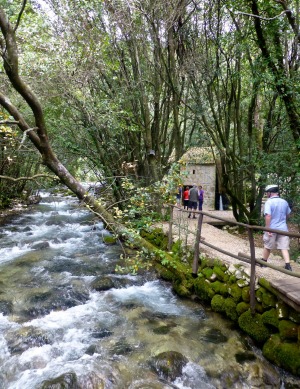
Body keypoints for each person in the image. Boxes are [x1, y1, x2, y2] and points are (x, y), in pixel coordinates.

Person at [262, 184, 292, 271]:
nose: (267, 194)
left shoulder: (269, 202)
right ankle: (288, 265)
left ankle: (264, 262)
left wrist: (268, 229)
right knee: (284, 247)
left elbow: (268, 216)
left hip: (272, 228)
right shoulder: (284, 202)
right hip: (283, 228)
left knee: (268, 246)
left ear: (270, 193)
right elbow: (288, 214)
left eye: (267, 193)